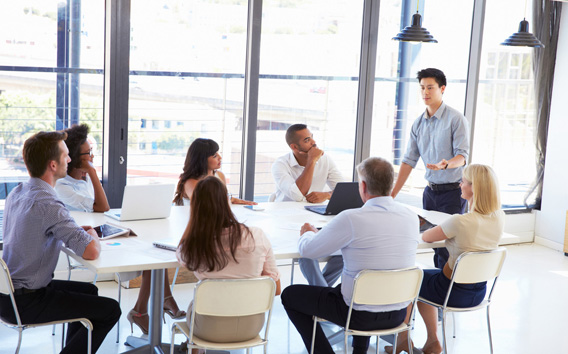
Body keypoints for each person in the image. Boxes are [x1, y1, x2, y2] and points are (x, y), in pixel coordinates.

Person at [55, 123, 185, 335]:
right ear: (74, 157)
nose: (92, 157)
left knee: (152, 252)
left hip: (98, 232)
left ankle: (145, 308)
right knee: (149, 256)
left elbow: (100, 208)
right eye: (88, 154)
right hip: (87, 241)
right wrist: (93, 173)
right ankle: (148, 308)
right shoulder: (63, 185)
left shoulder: (82, 178)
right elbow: (103, 207)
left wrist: (88, 172)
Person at [281, 157, 419, 354]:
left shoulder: (351, 218)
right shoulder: (410, 217)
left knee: (290, 295)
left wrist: (309, 232)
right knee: (363, 286)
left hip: (357, 315)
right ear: (391, 184)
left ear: (362, 186)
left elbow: (309, 251)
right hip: (398, 314)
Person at [0, 131, 121, 353]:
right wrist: (92, 235)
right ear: (53, 165)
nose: (69, 159)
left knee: (90, 293)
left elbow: (41, 229)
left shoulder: (18, 192)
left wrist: (72, 230)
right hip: (27, 301)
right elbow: (91, 251)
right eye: (65, 155)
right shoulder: (48, 203)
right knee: (111, 309)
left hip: (7, 295)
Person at [386, 164, 504, 354]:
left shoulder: (460, 221)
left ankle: (402, 341)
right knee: (424, 276)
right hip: (479, 292)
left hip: (452, 292)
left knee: (410, 278)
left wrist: (447, 229)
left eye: (463, 181)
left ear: (475, 188)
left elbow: (426, 237)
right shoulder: (499, 217)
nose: (459, 185)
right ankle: (432, 342)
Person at [177, 176, 281, 347]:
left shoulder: (193, 244)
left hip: (208, 329)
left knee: (197, 302)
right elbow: (275, 289)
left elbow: (183, 258)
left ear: (196, 207)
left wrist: (193, 225)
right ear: (227, 202)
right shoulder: (257, 236)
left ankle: (196, 350)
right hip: (252, 327)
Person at [391, 68, 470, 270]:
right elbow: (409, 160)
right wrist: (392, 194)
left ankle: (448, 290)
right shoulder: (418, 124)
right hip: (430, 193)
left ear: (442, 88)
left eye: (430, 88)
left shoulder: (456, 119)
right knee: (434, 245)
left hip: (453, 192)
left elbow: (463, 157)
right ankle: (438, 285)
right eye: (422, 88)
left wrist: (446, 164)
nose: (425, 92)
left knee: (449, 245)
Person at [271, 124, 344, 288]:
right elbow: (297, 195)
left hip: (317, 218)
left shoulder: (325, 159)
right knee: (307, 254)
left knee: (345, 250)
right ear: (294, 147)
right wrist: (311, 161)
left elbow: (343, 189)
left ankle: (320, 293)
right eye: (307, 140)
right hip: (287, 222)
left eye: (311, 136)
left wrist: (326, 194)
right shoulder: (280, 165)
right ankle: (323, 295)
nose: (313, 142)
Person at [173, 138, 256, 206]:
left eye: (218, 153)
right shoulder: (190, 182)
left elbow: (221, 200)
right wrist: (229, 199)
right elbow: (205, 205)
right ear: (202, 160)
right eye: (215, 156)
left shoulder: (219, 175)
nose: (220, 157)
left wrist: (232, 200)